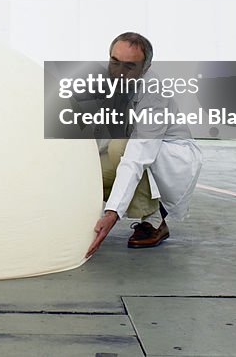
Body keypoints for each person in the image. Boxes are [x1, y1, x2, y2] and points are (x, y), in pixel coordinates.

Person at [86, 32, 203, 256]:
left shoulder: (154, 95)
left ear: (145, 68)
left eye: (130, 66)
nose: (119, 72)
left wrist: (111, 213)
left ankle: (154, 220)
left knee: (121, 148)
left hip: (167, 156)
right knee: (88, 174)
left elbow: (137, 156)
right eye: (115, 62)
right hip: (128, 151)